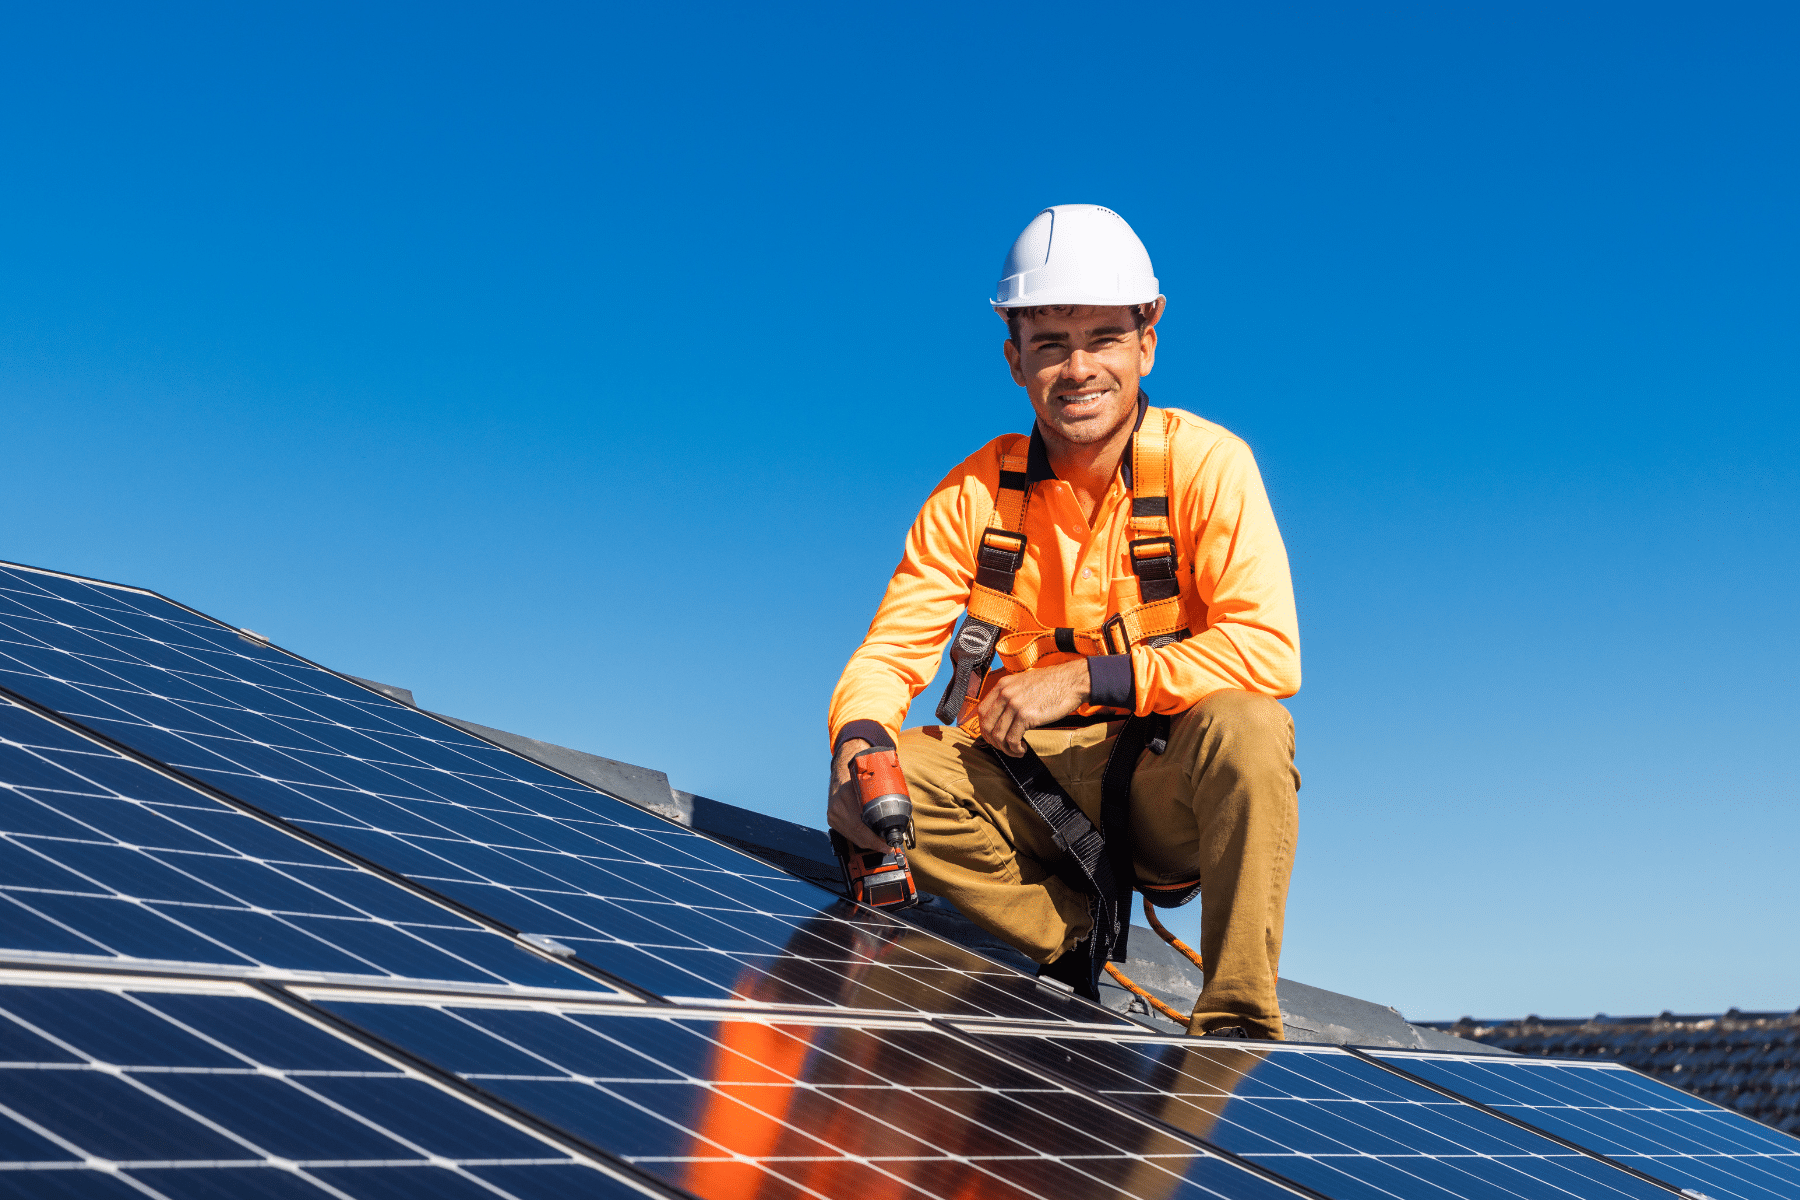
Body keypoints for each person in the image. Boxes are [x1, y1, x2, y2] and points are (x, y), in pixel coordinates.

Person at [825, 205, 1301, 1040]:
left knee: (1253, 728)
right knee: (878, 778)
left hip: (1161, 787)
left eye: (1103, 338)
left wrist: (1085, 679)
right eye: (1049, 344)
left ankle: (1235, 1022)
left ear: (1147, 340)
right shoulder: (973, 495)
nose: (1077, 368)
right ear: (1015, 360)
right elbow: (890, 652)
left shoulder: (1208, 465)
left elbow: (1267, 649)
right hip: (1021, 794)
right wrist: (857, 741)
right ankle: (1071, 933)